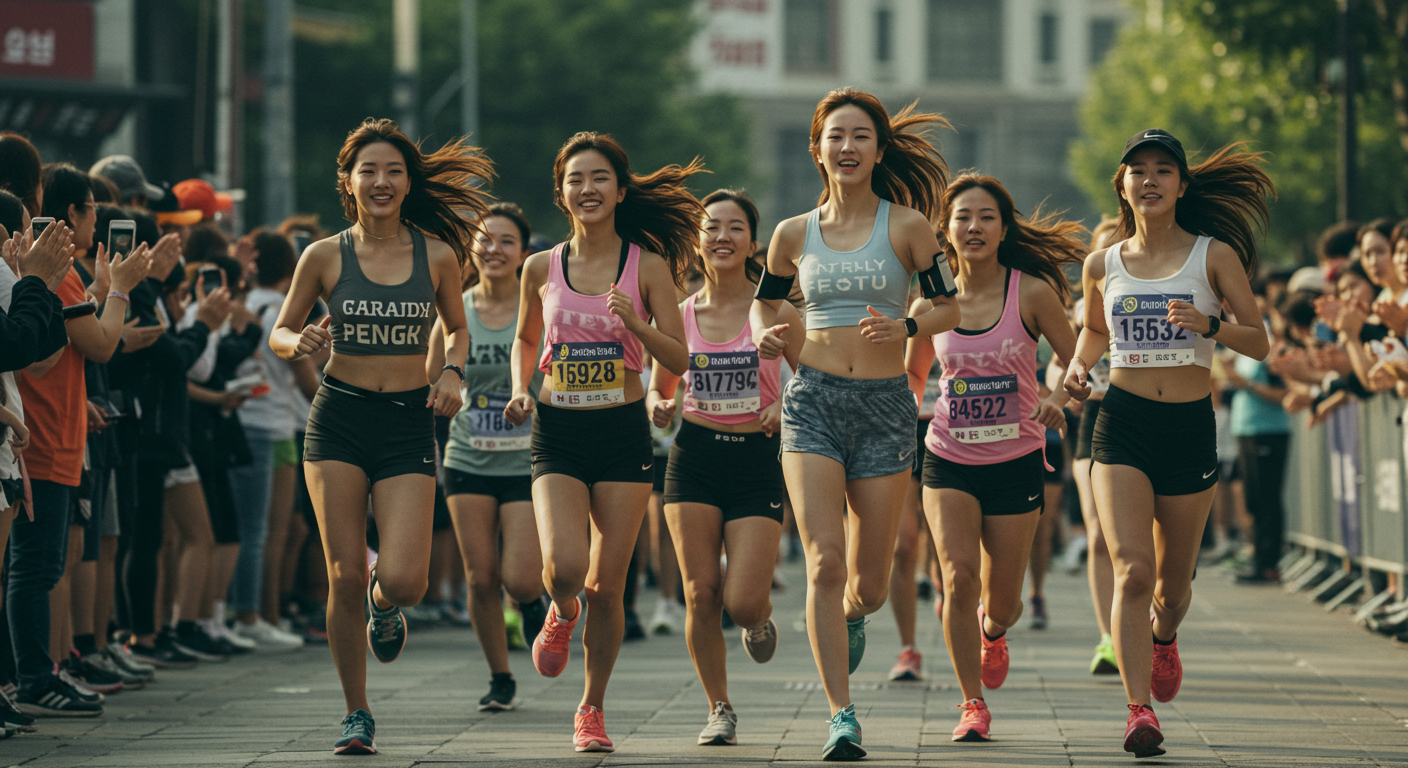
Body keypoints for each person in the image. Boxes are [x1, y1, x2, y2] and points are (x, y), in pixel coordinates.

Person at [749, 87, 960, 760]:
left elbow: (948, 309)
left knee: (869, 577)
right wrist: (767, 338)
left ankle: (854, 615)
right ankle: (841, 713)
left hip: (884, 407)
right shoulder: (791, 234)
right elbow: (765, 307)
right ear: (817, 148)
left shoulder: (908, 228)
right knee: (823, 559)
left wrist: (906, 323)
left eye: (860, 136)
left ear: (878, 149)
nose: (847, 147)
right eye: (835, 136)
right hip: (811, 399)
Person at [270, 118, 489, 755]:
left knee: (407, 580)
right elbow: (281, 332)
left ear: (409, 181)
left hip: (405, 423)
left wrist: (451, 370)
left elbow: (458, 328)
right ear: (349, 181)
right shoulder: (324, 255)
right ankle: (356, 713)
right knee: (340, 572)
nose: (382, 181)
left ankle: (383, 601)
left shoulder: (438, 255)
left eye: (394, 170)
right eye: (369, 170)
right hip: (337, 417)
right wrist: (300, 339)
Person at [1063, 129, 1272, 758]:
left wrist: (1210, 324)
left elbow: (1259, 342)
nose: (1149, 180)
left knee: (1172, 589)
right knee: (1132, 568)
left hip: (1187, 427)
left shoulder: (1213, 257)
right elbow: (1095, 333)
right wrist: (1076, 366)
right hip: (1121, 422)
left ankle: (1164, 636)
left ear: (1182, 184)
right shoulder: (1102, 263)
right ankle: (1138, 712)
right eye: (1137, 171)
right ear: (1122, 187)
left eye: (1163, 170)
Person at [504, 132, 700, 753]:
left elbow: (679, 355)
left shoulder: (648, 265)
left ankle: (591, 708)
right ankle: (559, 614)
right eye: (574, 180)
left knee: (607, 587)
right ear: (561, 194)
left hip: (621, 433)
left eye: (598, 179)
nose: (587, 190)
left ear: (619, 189)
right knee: (563, 569)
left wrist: (635, 322)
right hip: (557, 430)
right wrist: (521, 388)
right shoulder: (541, 266)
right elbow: (525, 341)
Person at [907, 173, 1083, 742]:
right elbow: (912, 377)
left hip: (1016, 459)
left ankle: (994, 631)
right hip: (948, 457)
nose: (974, 227)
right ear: (946, 231)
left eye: (986, 217)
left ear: (1004, 228)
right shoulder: (931, 303)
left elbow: (1073, 360)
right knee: (956, 578)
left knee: (1000, 601)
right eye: (962, 217)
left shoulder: (1030, 292)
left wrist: (1058, 396)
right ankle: (971, 704)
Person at [646, 189, 802, 746]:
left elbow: (811, 379)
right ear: (697, 240)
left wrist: (783, 406)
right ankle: (719, 707)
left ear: (753, 243)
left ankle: (758, 619)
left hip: (757, 460)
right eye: (711, 227)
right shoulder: (681, 314)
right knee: (700, 592)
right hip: (694, 458)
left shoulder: (776, 310)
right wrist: (659, 406)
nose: (721, 237)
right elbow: (661, 386)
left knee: (739, 601)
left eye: (735, 228)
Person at [432, 202, 547, 713]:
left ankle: (534, 601)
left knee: (520, 577)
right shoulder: (455, 314)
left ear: (524, 252)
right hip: (467, 459)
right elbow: (433, 385)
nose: (492, 249)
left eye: (504, 241)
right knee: (480, 577)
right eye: (484, 240)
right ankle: (500, 675)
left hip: (525, 463)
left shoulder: (540, 311)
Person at [1070, 217, 1121, 675]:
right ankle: (1109, 637)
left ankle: (1155, 622)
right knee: (1099, 535)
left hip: (1147, 414)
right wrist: (1069, 378)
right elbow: (1058, 368)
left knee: (1153, 544)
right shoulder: (1081, 313)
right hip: (1093, 422)